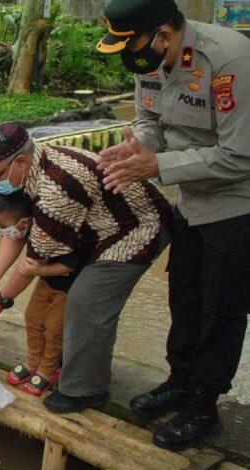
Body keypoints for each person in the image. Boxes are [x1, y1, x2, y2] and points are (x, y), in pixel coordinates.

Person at [95, 0, 250, 451]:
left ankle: (204, 406)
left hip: (235, 205)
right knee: (184, 297)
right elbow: (149, 120)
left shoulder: (229, 60)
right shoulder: (148, 58)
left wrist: (157, 165)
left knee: (221, 309)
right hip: (189, 199)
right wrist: (136, 148)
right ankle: (180, 381)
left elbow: (240, 156)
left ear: (164, 34)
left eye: (135, 45)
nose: (131, 59)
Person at [0, 121, 171, 413]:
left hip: (135, 227)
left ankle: (85, 390)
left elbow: (31, 264)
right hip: (91, 229)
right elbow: (15, 235)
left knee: (86, 301)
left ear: (20, 162)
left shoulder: (55, 192)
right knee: (51, 306)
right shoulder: (29, 169)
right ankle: (62, 359)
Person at [0, 191, 84, 397]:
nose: (2, 232)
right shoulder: (32, 232)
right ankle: (33, 360)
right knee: (32, 318)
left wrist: (39, 271)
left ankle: (49, 369)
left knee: (54, 329)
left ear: (24, 222)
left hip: (66, 288)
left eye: (4, 226)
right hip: (45, 283)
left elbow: (70, 264)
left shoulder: (56, 230)